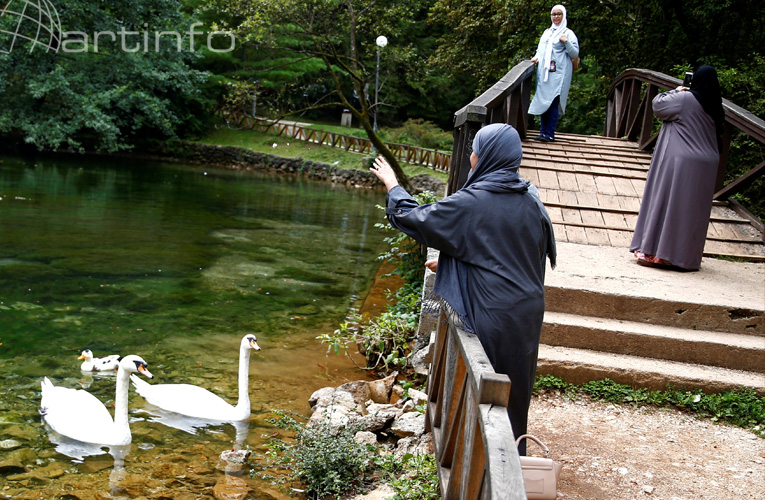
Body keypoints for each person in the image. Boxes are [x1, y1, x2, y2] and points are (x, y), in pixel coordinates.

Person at [369, 124, 556, 455]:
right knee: (514, 388)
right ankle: (511, 457)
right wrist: (456, 264)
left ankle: (484, 466)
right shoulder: (529, 197)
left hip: (493, 308)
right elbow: (512, 251)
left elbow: (415, 218)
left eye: (475, 149)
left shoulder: (474, 201)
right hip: (527, 309)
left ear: (484, 157)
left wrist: (393, 185)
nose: (470, 156)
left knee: (485, 385)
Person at [630, 65, 725, 271]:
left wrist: (677, 90)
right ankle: (687, 259)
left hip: (682, 161)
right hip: (707, 163)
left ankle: (660, 255)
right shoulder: (716, 105)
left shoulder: (685, 99)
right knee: (692, 212)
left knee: (671, 205)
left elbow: (658, 106)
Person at [528, 4, 579, 142]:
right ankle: (543, 132)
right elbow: (541, 49)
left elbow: (575, 53)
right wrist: (536, 57)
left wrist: (566, 42)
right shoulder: (547, 32)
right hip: (545, 74)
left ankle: (550, 133)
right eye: (554, 14)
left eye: (559, 14)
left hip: (559, 74)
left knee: (553, 102)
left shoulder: (568, 33)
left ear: (564, 15)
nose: (556, 17)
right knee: (544, 102)